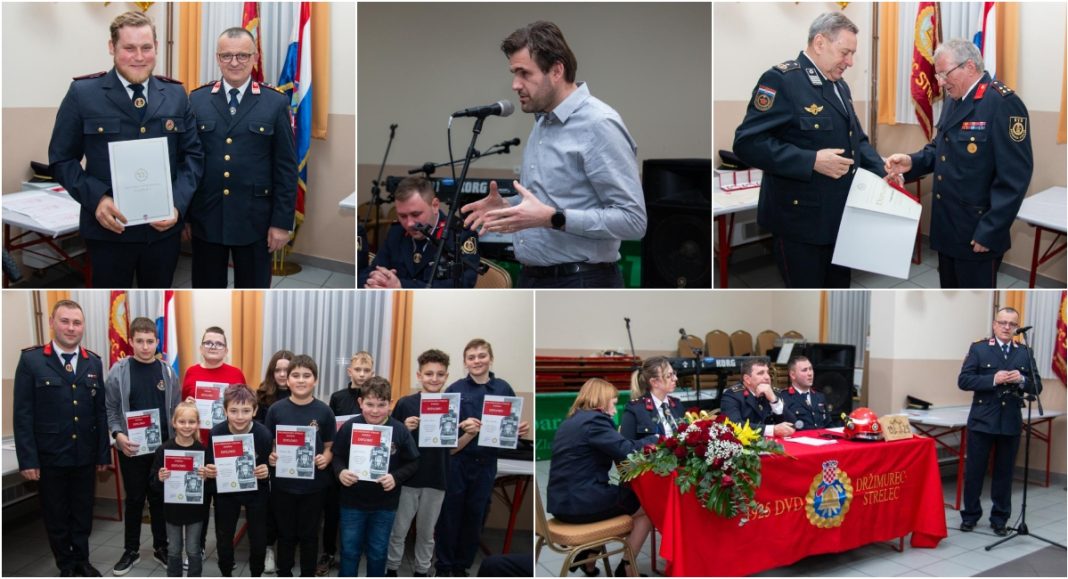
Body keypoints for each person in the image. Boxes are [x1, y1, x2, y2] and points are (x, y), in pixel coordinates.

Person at [461, 21, 646, 288]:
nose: (515, 84)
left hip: (582, 281)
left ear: (557, 70)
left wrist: (553, 218)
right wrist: (508, 207)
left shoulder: (599, 124)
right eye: (513, 73)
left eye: (524, 73)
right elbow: (548, 201)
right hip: (532, 276)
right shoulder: (543, 123)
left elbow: (633, 221)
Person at [48, 11, 204, 288]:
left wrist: (178, 206)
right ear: (112, 47)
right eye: (129, 48)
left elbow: (192, 157)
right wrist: (96, 199)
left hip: (162, 233)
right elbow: (62, 159)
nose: (139, 56)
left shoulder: (176, 95)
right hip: (108, 232)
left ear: (156, 47)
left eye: (146, 47)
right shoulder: (83, 94)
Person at [733, 12, 886, 288]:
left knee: (839, 290)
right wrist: (810, 160)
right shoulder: (782, 80)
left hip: (839, 219)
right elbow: (747, 143)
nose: (850, 62)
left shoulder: (840, 86)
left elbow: (857, 141)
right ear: (820, 42)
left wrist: (884, 171)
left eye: (852, 54)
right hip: (799, 222)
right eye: (845, 52)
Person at [884, 39, 1033, 288]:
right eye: (938, 74)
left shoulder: (1003, 103)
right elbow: (939, 149)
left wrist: (991, 230)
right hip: (948, 227)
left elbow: (1015, 177)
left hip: (977, 232)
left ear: (970, 66)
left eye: (944, 74)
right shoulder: (954, 99)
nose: (940, 82)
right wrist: (911, 162)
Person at [187, 27, 297, 288]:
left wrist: (281, 223)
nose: (234, 62)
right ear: (217, 58)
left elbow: (286, 168)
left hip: (255, 221)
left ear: (255, 57)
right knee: (206, 289)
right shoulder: (197, 99)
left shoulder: (275, 102)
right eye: (226, 56)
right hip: (207, 218)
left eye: (242, 56)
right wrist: (186, 216)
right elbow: (188, 161)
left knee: (253, 291)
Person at [13, 300, 109, 577]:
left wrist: (102, 454)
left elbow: (99, 412)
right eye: (65, 321)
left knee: (82, 512)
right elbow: (23, 415)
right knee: (56, 515)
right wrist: (27, 459)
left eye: (77, 322)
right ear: (52, 322)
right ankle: (65, 565)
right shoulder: (32, 360)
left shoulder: (94, 362)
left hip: (84, 455)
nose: (71, 327)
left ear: (83, 327)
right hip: (50, 456)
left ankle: (82, 561)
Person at [436, 339, 531, 577]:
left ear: (491, 358)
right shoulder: (455, 389)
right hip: (457, 463)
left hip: (486, 465)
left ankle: (461, 567)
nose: (477, 361)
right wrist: (461, 427)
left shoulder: (503, 389)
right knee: (450, 517)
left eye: (481, 355)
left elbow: (506, 434)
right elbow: (443, 432)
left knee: (475, 518)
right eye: (471, 357)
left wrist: (517, 430)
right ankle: (444, 567)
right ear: (465, 362)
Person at [549, 378, 656, 577]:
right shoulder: (595, 421)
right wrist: (656, 438)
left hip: (562, 503)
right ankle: (627, 567)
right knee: (649, 507)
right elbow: (626, 451)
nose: (615, 411)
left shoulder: (572, 420)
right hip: (581, 503)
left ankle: (588, 557)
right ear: (601, 400)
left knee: (622, 504)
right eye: (613, 404)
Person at [105, 317, 181, 575]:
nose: (146, 347)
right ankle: (131, 550)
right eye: (140, 341)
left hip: (162, 450)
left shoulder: (168, 372)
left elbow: (176, 410)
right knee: (135, 499)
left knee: (159, 499)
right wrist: (117, 435)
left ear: (157, 342)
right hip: (132, 449)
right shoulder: (120, 369)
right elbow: (111, 407)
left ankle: (161, 547)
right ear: (132, 341)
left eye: (150, 341)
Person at [957, 307, 1041, 535]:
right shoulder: (980, 348)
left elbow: (1037, 386)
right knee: (975, 471)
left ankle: (999, 519)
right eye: (1002, 322)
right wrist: (993, 379)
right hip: (983, 420)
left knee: (1004, 473)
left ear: (1016, 328)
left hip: (1010, 421)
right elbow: (964, 380)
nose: (1006, 327)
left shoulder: (1024, 351)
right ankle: (970, 515)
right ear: (994, 325)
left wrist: (1022, 379)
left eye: (1011, 324)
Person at [333, 377, 421, 577]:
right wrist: (340, 472)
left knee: (378, 552)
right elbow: (337, 456)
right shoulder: (350, 426)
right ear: (360, 402)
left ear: (390, 404)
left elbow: (414, 462)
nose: (375, 410)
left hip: (384, 506)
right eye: (370, 404)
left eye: (381, 405)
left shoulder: (399, 430)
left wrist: (396, 477)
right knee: (349, 552)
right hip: (351, 503)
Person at [266, 355, 335, 577]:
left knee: (309, 535)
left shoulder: (324, 411)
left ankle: (307, 574)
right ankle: (284, 573)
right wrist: (272, 456)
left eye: (307, 375)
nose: (301, 380)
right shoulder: (276, 410)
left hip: (314, 487)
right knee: (285, 534)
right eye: (296, 375)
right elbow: (270, 444)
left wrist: (326, 457)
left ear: (315, 380)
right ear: (287, 380)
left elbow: (330, 445)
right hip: (283, 485)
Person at [386, 349, 453, 577]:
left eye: (440, 374)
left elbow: (453, 448)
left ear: (446, 376)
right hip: (408, 479)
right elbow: (390, 445)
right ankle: (392, 568)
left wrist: (469, 434)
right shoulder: (405, 404)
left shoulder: (451, 405)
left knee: (427, 533)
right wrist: (404, 429)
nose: (434, 379)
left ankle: (422, 571)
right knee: (399, 529)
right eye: (429, 373)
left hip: (437, 478)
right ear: (419, 375)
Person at [204, 385, 272, 577]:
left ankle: (256, 573)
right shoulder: (216, 433)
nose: (240, 416)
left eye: (246, 411)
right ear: (225, 410)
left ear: (255, 411)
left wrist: (266, 470)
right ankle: (226, 572)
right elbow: (210, 461)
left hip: (256, 493)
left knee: (258, 539)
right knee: (224, 537)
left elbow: (270, 466)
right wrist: (210, 469)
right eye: (233, 411)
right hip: (226, 493)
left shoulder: (263, 435)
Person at [365, 176, 480, 288]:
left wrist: (402, 285)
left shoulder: (460, 233)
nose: (409, 223)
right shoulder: (396, 231)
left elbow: (464, 283)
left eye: (416, 214)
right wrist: (376, 281)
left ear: (435, 205)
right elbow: (373, 271)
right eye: (402, 216)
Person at [319, 351, 375, 576]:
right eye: (358, 370)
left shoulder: (374, 398)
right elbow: (331, 430)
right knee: (332, 511)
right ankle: (329, 553)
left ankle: (351, 553)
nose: (362, 375)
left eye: (366, 370)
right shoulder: (338, 396)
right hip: (339, 464)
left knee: (356, 513)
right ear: (349, 371)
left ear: (372, 372)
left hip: (365, 465)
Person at [150, 402, 210, 577]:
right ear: (174, 423)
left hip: (195, 512)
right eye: (182, 421)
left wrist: (206, 478)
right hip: (172, 510)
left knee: (193, 549)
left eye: (191, 422)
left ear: (198, 424)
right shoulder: (164, 450)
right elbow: (152, 483)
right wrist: (159, 478)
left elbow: (211, 488)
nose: (187, 426)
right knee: (174, 550)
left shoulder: (202, 451)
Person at [253, 349, 293, 574]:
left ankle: (286, 548)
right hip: (267, 459)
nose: (282, 374)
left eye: (287, 370)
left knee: (286, 506)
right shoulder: (262, 395)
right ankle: (268, 548)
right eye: (277, 370)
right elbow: (255, 429)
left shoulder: (301, 394)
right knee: (268, 506)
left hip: (291, 462)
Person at [720, 358, 796, 438]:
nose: (767, 377)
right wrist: (772, 430)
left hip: (776, 445)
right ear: (747, 379)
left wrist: (774, 400)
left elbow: (792, 425)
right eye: (761, 373)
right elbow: (734, 425)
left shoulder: (774, 393)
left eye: (768, 373)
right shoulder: (732, 396)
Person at [619, 357, 686, 440]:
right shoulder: (635, 409)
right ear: (654, 382)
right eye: (669, 376)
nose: (675, 378)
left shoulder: (676, 404)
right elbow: (627, 446)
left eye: (674, 373)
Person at [780, 356, 835, 430]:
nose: (810, 373)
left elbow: (828, 425)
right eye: (804, 370)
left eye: (810, 369)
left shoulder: (819, 397)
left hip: (822, 440)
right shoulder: (784, 397)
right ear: (793, 375)